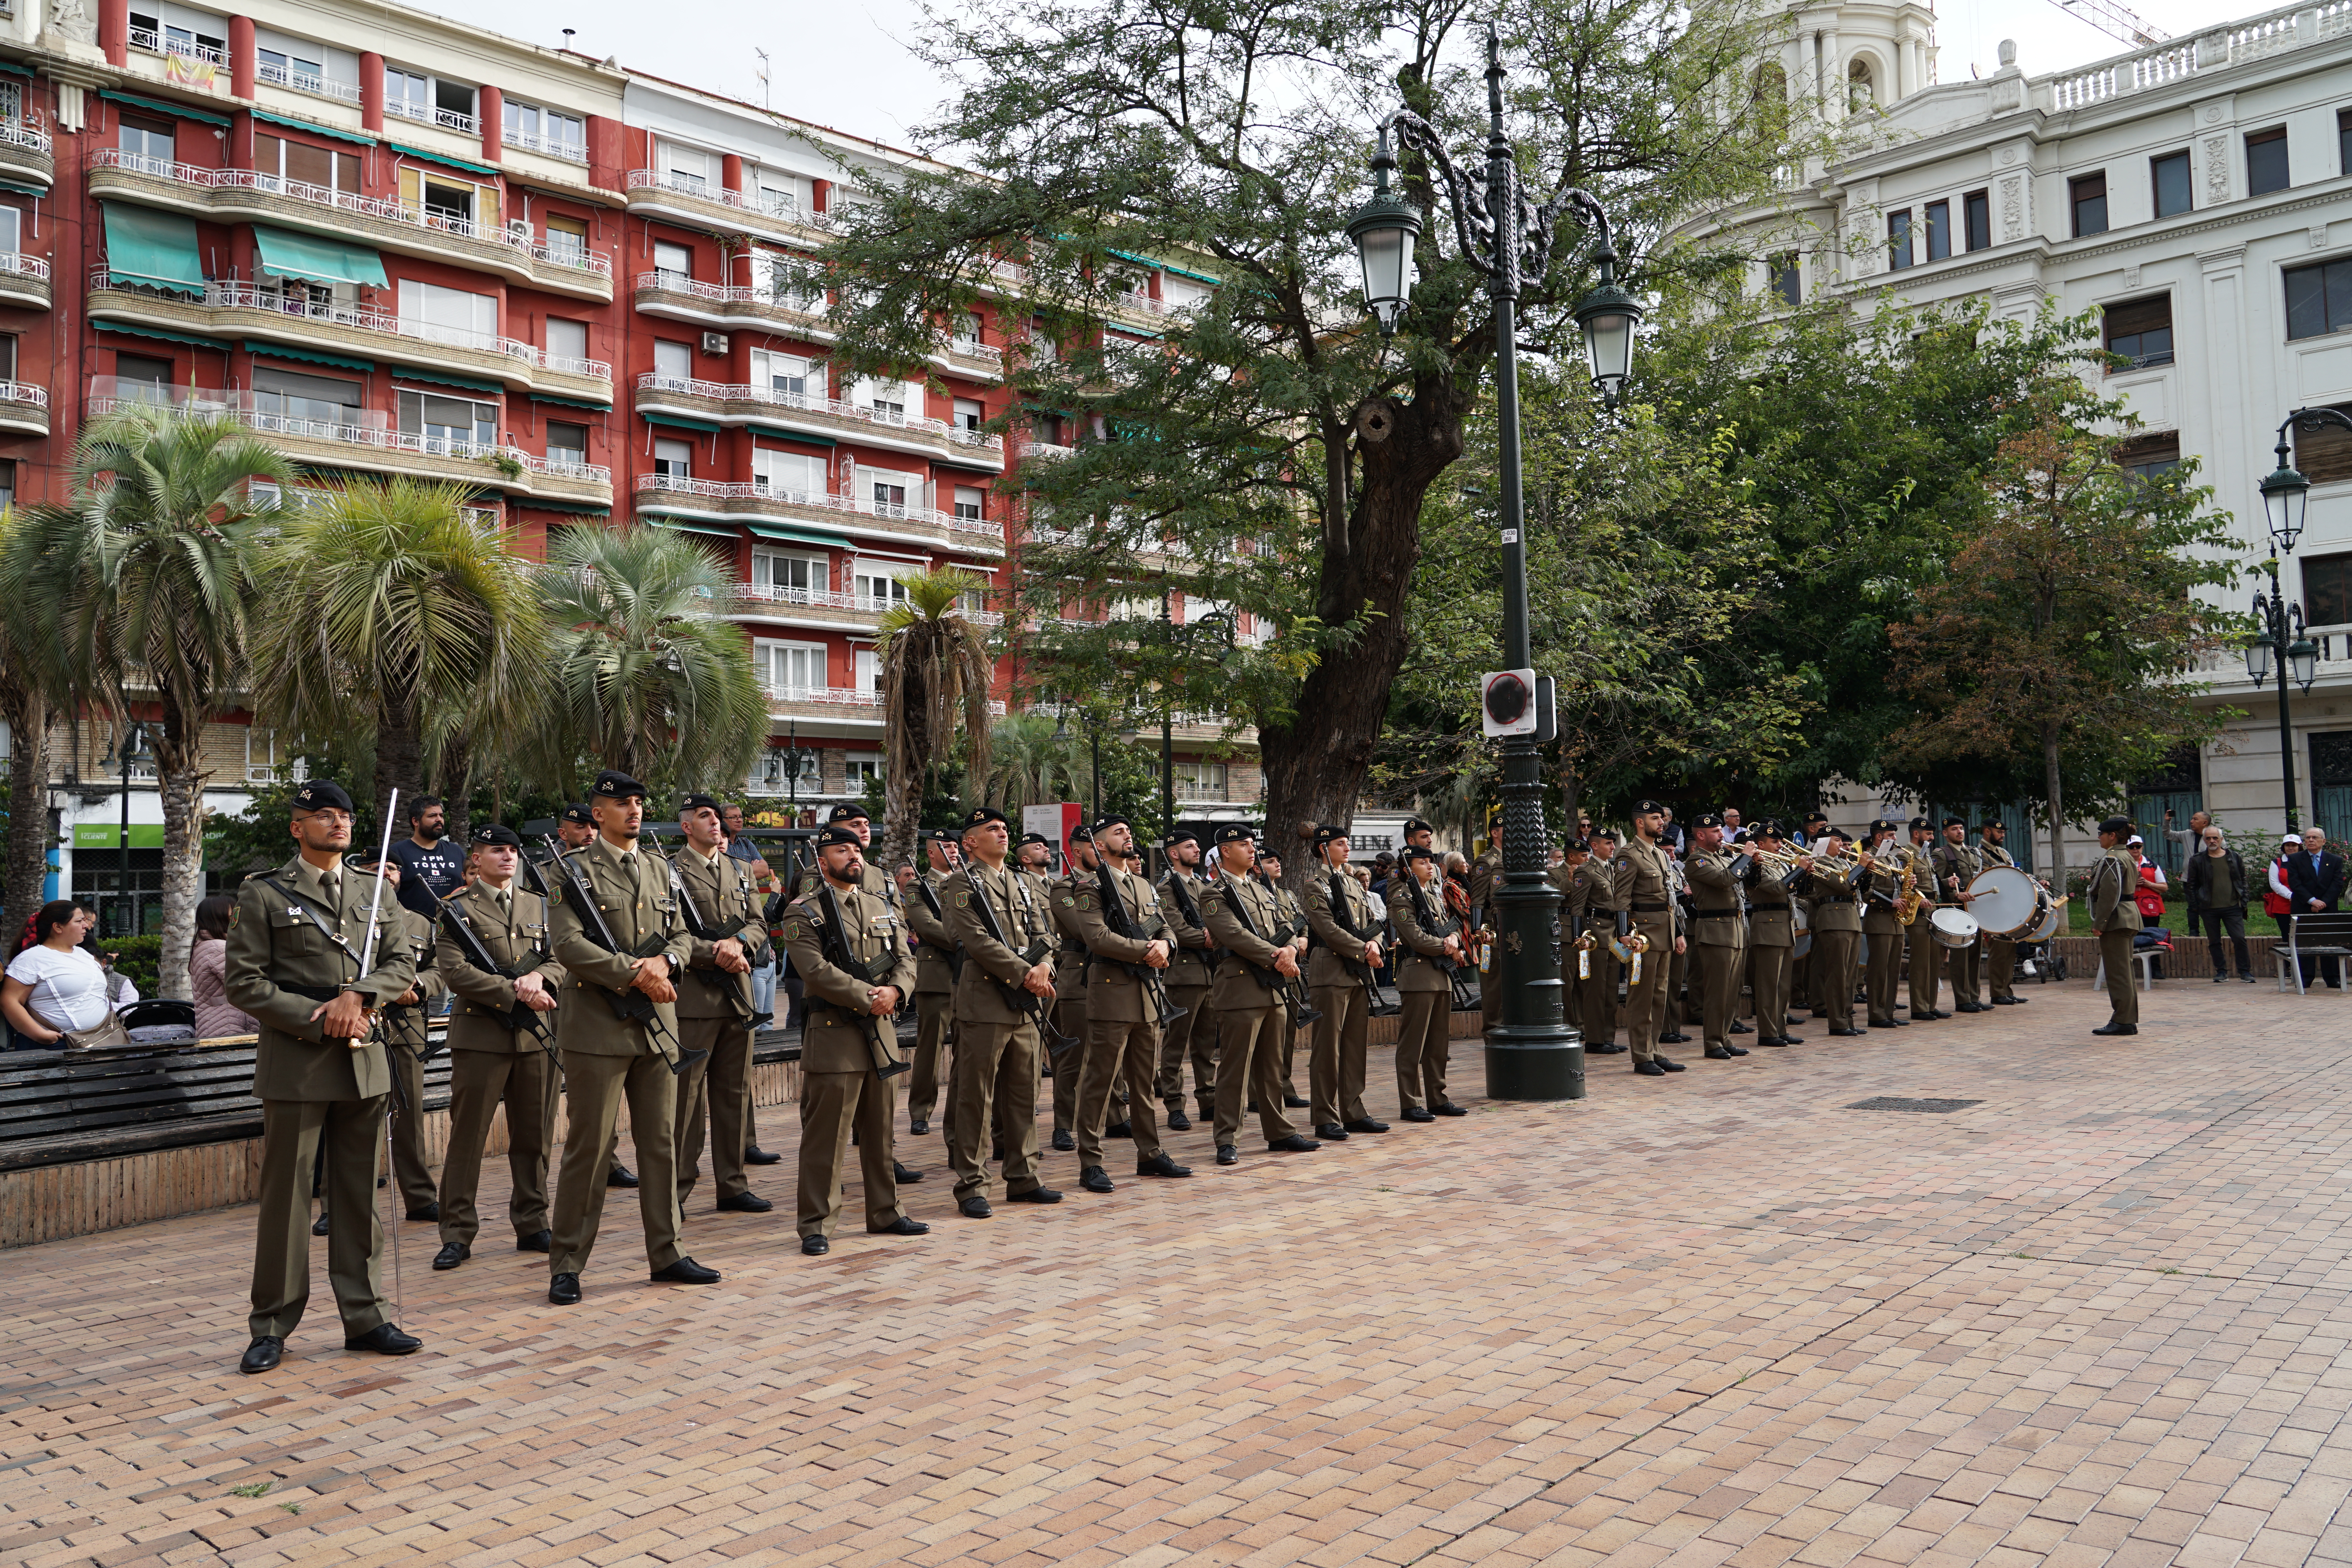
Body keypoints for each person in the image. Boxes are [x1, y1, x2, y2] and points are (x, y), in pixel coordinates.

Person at [222, 780, 419, 1375]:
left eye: (345, 815)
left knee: (360, 1198)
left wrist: (358, 996)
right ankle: (273, 1325)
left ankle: (366, 1318)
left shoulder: (373, 891)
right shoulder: (263, 894)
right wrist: (318, 1015)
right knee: (287, 1200)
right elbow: (245, 982)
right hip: (299, 1059)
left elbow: (402, 962)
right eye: (324, 815)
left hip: (363, 1056)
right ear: (296, 827)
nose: (338, 824)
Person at [543, 770, 715, 1306]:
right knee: (589, 1149)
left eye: (639, 802)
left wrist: (666, 961)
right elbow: (568, 946)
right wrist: (633, 971)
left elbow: (684, 934)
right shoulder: (569, 872)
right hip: (598, 1027)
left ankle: (667, 1252)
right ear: (598, 815)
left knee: (661, 1144)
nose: (634, 811)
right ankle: (567, 1262)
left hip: (658, 1026)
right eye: (622, 804)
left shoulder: (660, 870)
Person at [779, 825, 928, 1254]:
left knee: (881, 1133)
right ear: (822, 862)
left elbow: (904, 956)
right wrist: (870, 996)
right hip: (835, 1035)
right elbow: (815, 971)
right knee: (827, 1138)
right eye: (842, 850)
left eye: (858, 849)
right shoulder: (803, 911)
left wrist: (896, 991)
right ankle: (816, 1224)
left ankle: (886, 1211)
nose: (854, 856)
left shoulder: (879, 904)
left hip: (880, 1033)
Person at [430, 823, 565, 1270]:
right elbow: (454, 972)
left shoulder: (540, 904)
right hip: (482, 1036)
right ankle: (456, 1231)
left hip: (534, 1036)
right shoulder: (456, 909)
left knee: (534, 1136)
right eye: (496, 850)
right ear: (477, 859)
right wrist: (516, 990)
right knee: (468, 1138)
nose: (507, 857)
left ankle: (533, 1221)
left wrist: (540, 977)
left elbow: (561, 955)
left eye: (511, 851)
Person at [944, 806, 1062, 1215]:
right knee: (977, 1097)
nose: (1003, 833)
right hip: (987, 1002)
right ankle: (973, 1185)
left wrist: (1044, 965)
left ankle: (1024, 1176)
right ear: (970, 842)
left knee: (1024, 1092)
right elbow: (976, 941)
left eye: (1005, 828)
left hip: (1027, 1002)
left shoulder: (1022, 881)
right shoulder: (962, 883)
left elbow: (1045, 932)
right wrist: (1026, 971)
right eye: (991, 829)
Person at [1062, 814, 1191, 1190]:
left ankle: (1150, 1154)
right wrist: (1144, 951)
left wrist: (1166, 944)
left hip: (1148, 994)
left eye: (1128, 831)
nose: (1127, 836)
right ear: (1100, 845)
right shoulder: (1090, 887)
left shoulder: (1143, 885)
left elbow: (1164, 925)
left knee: (1144, 1081)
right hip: (1113, 992)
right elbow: (1097, 937)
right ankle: (1091, 1161)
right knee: (1100, 1080)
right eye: (1118, 833)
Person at [670, 793, 774, 1215]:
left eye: (717, 817)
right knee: (686, 1100)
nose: (716, 823)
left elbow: (759, 923)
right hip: (695, 999)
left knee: (735, 1094)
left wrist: (740, 944)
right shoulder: (670, 871)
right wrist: (715, 951)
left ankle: (732, 1184)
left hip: (738, 997)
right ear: (686, 827)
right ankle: (675, 1187)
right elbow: (667, 932)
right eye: (705, 816)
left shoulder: (740, 869)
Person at [1202, 822, 1320, 1163]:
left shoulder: (1261, 889)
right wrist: (1279, 956)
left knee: (1273, 1066)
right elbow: (1234, 935)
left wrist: (1291, 950)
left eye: (1253, 844)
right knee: (1235, 1068)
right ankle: (1227, 1138)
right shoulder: (1214, 892)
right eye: (1244, 844)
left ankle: (1279, 1131)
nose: (1253, 849)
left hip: (1274, 987)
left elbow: (1286, 926)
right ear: (1226, 851)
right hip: (1241, 986)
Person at [345, 858, 445, 1223]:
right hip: (360, 1029)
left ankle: (420, 1198)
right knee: (356, 1117)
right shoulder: (349, 917)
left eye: (391, 868)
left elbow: (439, 968)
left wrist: (417, 985)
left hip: (406, 1030)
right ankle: (339, 1204)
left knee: (409, 1116)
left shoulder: (421, 923)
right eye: (375, 867)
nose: (385, 874)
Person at [1300, 824, 1390, 1142]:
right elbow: (1326, 929)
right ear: (1324, 848)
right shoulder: (1315, 886)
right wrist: (1363, 950)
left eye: (1348, 843)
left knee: (1354, 1045)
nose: (1348, 848)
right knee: (1328, 1048)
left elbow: (1373, 921)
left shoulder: (1353, 883)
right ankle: (1325, 1116)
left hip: (1357, 971)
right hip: (1332, 971)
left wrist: (1375, 944)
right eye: (1341, 844)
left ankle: (1353, 1110)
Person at [1617, 802, 1687, 1075]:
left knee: (1659, 996)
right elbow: (1621, 898)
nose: (1661, 822)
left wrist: (1678, 933)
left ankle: (1656, 1049)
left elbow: (1669, 898)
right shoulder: (1629, 855)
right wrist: (1624, 934)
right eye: (1655, 818)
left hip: (1666, 932)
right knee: (1641, 997)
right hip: (1642, 936)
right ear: (1639, 823)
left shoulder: (1659, 854)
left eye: (1661, 818)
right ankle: (1642, 1055)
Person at [1154, 829, 1217, 1130]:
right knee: (1177, 1044)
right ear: (1173, 853)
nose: (1197, 849)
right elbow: (1175, 928)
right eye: (1189, 846)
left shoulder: (1205, 885)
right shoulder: (1168, 888)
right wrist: (1210, 939)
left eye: (1196, 845)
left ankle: (1208, 1101)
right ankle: (1175, 1105)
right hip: (1185, 973)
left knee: (1206, 1044)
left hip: (1209, 973)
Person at [901, 837, 961, 1137]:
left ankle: (965, 1108)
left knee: (970, 1049)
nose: (954, 851)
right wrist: (967, 940)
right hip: (938, 977)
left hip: (971, 976)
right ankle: (921, 1111)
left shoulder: (967, 882)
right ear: (931, 853)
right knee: (930, 1049)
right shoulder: (918, 886)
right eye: (947, 847)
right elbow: (926, 926)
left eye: (956, 847)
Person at [1681, 813, 1750, 1061]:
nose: (1722, 836)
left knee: (1732, 992)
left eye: (1721, 831)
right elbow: (1724, 881)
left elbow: (1742, 881)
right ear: (1701, 835)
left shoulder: (1721, 858)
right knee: (1717, 991)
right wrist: (1747, 857)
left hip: (1734, 928)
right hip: (1716, 928)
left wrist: (1755, 863)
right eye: (1717, 832)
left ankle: (1724, 1038)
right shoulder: (1696, 861)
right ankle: (1712, 1042)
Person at [1046, 826, 1097, 1151]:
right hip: (1078, 977)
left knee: (1109, 1056)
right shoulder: (1064, 887)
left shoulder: (1113, 885)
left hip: (1112, 976)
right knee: (1073, 1057)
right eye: (1093, 846)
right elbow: (1084, 929)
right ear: (1077, 851)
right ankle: (1063, 1126)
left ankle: (1114, 1116)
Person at [3, 900, 113, 1046]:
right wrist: (40, 1035)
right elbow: (9, 1000)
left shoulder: (84, 955)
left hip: (99, 1042)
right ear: (58, 927)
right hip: (55, 1046)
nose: (86, 925)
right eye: (79, 921)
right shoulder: (31, 959)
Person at [1744, 821, 1805, 1047]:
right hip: (1768, 925)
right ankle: (1768, 1032)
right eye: (1775, 842)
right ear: (1761, 844)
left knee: (1782, 984)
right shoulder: (1755, 865)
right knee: (1768, 984)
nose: (1780, 845)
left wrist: (1804, 872)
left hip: (1785, 926)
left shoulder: (1778, 864)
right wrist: (1799, 870)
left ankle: (1780, 1029)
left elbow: (1798, 890)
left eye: (1780, 841)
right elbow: (1778, 888)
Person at [1800, 830, 1863, 1036]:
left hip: (1850, 919)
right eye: (1837, 840)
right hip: (1834, 919)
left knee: (1850, 975)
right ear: (1826, 842)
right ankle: (1837, 1022)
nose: (1842, 844)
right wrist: (1862, 866)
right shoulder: (1821, 863)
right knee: (1838, 974)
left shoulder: (1840, 862)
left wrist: (1866, 871)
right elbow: (1843, 886)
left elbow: (1858, 887)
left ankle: (1847, 1019)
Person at [2089, 816, 2141, 1037]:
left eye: (2101, 834)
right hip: (2128, 916)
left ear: (2113, 836)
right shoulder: (2126, 856)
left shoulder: (2112, 859)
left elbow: (2109, 895)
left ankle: (2123, 1020)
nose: (2099, 837)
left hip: (2117, 919)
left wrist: (2099, 923)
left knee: (2118, 973)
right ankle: (2127, 1019)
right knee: (2125, 972)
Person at [2184, 824, 2256, 984]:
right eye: (2208, 838)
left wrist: (2243, 900)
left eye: (2215, 838)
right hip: (2208, 908)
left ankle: (2245, 972)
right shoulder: (2197, 860)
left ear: (2221, 839)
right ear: (2204, 840)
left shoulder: (2234, 857)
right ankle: (2221, 972)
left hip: (2233, 907)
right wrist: (2197, 905)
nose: (2212, 841)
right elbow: (2192, 885)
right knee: (2214, 941)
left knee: (2239, 938)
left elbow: (2243, 880)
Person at [1575, 831, 1626, 1054]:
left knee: (1612, 988)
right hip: (1596, 934)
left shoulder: (1612, 870)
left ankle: (1608, 1037)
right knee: (1596, 989)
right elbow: (1577, 909)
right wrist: (1581, 939)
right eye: (1608, 844)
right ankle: (1595, 1040)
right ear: (1594, 846)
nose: (1613, 847)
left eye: (1613, 843)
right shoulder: (1586, 872)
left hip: (1615, 934)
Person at [1929, 817, 1986, 1012]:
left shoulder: (1972, 853)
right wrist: (1955, 892)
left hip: (1973, 909)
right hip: (1956, 910)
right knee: (1960, 956)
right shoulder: (1942, 853)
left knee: (1974, 954)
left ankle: (1974, 996)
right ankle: (1962, 1000)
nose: (1960, 832)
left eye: (1961, 829)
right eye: (1954, 829)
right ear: (1945, 834)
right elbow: (1935, 882)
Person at [385, 796, 465, 921]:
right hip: (413, 928)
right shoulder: (397, 852)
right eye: (432, 816)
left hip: (455, 926)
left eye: (442, 816)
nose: (439, 820)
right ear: (416, 821)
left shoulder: (456, 851)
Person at [1900, 817, 1949, 1022]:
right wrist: (1918, 900)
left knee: (1933, 960)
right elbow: (1904, 886)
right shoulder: (1904, 855)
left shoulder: (1925, 856)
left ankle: (1931, 1004)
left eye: (1932, 834)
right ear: (1916, 834)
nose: (1931, 838)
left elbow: (1932, 883)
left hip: (1932, 911)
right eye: (1928, 834)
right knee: (1920, 962)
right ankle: (1919, 1007)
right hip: (1918, 912)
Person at [2287, 827, 2347, 989]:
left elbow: (2337, 884)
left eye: (2315, 838)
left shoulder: (2335, 860)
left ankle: (2332, 978)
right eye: (2308, 838)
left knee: (2329, 942)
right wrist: (2312, 901)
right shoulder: (2295, 859)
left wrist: (2323, 903)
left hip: (2327, 908)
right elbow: (2295, 884)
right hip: (2303, 906)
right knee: (2304, 943)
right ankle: (2306, 978)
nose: (2311, 841)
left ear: (2324, 841)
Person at [1976, 819, 2028, 1007]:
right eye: (2000, 832)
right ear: (1988, 832)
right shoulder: (1979, 853)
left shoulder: (2002, 852)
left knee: (2009, 949)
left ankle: (2007, 990)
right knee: (1998, 951)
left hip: (2008, 906)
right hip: (1993, 908)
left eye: (2004, 832)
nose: (2003, 835)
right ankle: (1997, 992)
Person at [1860, 821, 1907, 1030]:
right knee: (1879, 970)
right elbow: (1866, 892)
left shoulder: (1893, 859)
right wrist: (1891, 902)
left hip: (1896, 921)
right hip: (1879, 919)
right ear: (1879, 838)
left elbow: (1896, 887)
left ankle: (1888, 1012)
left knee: (1893, 970)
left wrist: (1908, 883)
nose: (1895, 839)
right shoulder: (1869, 858)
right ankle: (1877, 1014)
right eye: (1891, 835)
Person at [190, 895, 256, 1040]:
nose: (238, 920)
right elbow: (245, 983)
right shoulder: (218, 948)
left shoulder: (205, 944)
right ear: (218, 918)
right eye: (233, 915)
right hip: (230, 1028)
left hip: (217, 1025)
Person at [2129, 836, 2168, 931]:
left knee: (2151, 933)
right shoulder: (2122, 865)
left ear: (2142, 848)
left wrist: (2148, 884)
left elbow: (2164, 888)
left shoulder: (2152, 865)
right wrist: (2133, 883)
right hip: (2130, 907)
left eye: (2138, 846)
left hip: (2150, 907)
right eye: (2131, 847)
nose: (2135, 849)